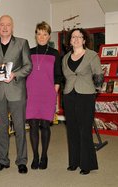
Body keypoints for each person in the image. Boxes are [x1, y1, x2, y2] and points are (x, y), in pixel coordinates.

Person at [0, 15, 32, 174]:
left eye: (8, 25)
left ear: (12, 27)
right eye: (2, 25)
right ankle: (3, 160)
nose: (5, 27)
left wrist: (15, 74)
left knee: (19, 128)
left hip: (16, 91)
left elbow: (28, 66)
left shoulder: (22, 43)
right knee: (1, 128)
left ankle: (21, 161)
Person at [62, 28, 103, 175]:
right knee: (72, 130)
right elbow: (66, 77)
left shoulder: (92, 56)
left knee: (84, 130)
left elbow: (98, 76)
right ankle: (74, 162)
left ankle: (87, 164)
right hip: (69, 95)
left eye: (79, 37)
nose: (76, 39)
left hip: (86, 96)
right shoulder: (65, 57)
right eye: (73, 37)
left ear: (84, 40)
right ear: (70, 40)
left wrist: (95, 91)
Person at [25, 21, 63, 170]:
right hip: (31, 93)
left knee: (45, 125)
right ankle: (35, 156)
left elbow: (58, 75)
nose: (42, 36)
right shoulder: (29, 51)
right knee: (33, 125)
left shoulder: (55, 53)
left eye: (45, 34)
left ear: (48, 36)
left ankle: (44, 155)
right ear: (35, 35)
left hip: (48, 93)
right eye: (39, 33)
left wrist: (54, 93)